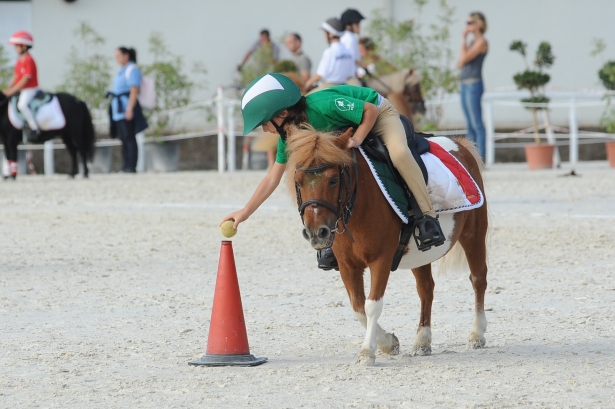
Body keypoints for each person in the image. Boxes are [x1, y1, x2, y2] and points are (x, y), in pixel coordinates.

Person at [222, 73, 445, 268]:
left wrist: (358, 138)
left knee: (399, 154)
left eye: (264, 123)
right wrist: (245, 212)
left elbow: (370, 110)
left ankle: (427, 216)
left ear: (281, 114)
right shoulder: (289, 136)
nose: (264, 129)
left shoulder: (324, 105)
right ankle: (335, 239)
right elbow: (272, 177)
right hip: (350, 124)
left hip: (378, 113)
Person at [108, 47, 148, 173]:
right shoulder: (121, 70)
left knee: (129, 137)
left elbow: (134, 90)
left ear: (126, 55)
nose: (117, 59)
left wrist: (129, 108)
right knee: (123, 138)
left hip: (126, 107)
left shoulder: (132, 69)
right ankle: (125, 164)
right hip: (118, 109)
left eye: (118, 55)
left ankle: (131, 165)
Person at [456, 12, 488, 160]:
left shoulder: (482, 42)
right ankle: (472, 158)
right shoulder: (470, 43)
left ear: (478, 24)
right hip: (464, 84)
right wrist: (464, 42)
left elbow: (464, 59)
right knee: (469, 123)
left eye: (470, 23)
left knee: (477, 123)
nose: (467, 26)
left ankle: (481, 158)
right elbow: (460, 63)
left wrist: (463, 40)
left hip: (474, 84)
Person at [2, 31, 40, 141]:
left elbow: (25, 79)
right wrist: (8, 88)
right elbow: (16, 76)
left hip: (29, 89)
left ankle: (34, 127)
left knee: (22, 105)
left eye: (16, 46)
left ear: (24, 46)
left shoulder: (29, 60)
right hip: (21, 90)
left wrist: (13, 90)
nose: (15, 48)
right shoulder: (19, 60)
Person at [304, 18, 355, 93]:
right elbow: (351, 72)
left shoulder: (329, 51)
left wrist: (309, 82)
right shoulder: (348, 51)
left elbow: (321, 73)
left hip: (330, 86)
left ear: (330, 34)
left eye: (324, 32)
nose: (323, 35)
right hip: (345, 85)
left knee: (307, 98)